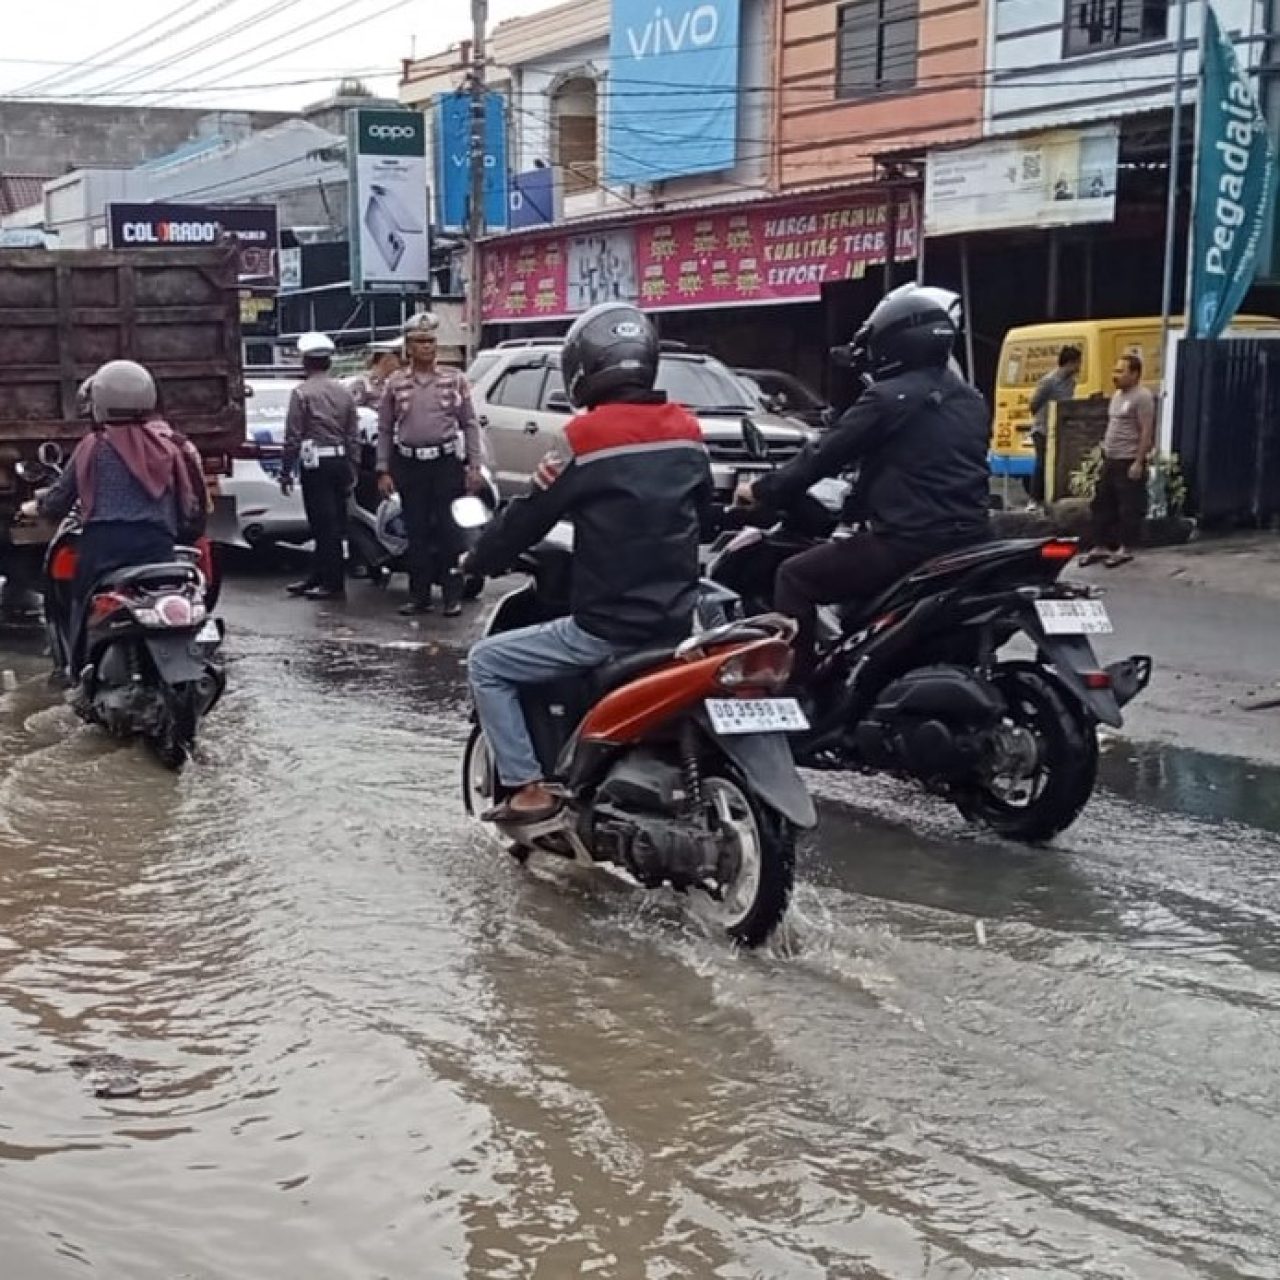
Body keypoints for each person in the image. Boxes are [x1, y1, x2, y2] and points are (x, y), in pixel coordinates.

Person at [462, 302, 712, 823]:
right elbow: (703, 512)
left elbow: (529, 516)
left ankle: (528, 788)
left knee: (487, 662)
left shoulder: (583, 438)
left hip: (607, 628)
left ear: (583, 367)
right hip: (677, 623)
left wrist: (479, 559)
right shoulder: (687, 429)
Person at [736, 287, 991, 683]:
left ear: (894, 343)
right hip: (973, 538)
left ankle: (798, 691)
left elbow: (824, 455)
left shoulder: (888, 397)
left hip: (909, 541)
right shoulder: (970, 399)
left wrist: (761, 490)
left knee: (794, 576)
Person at [21, 360, 204, 676]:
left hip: (105, 550)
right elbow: (188, 504)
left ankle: (78, 670)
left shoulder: (93, 446)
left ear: (100, 402)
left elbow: (59, 499)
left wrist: (35, 507)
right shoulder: (170, 444)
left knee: (81, 603)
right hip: (157, 547)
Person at [376, 313, 483, 617]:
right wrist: (383, 469)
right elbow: (385, 428)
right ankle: (419, 596)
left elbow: (469, 424)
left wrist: (474, 466)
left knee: (450, 531)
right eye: (420, 341)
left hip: (445, 463)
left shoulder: (454, 379)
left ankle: (452, 596)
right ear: (409, 347)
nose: (427, 347)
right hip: (410, 464)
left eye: (431, 341)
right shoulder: (395, 383)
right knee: (416, 531)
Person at [281, 331, 360, 600]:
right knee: (334, 521)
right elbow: (352, 435)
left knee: (322, 524)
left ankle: (332, 583)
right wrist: (352, 467)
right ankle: (318, 575)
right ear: (329, 362)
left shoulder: (301, 393)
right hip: (339, 461)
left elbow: (293, 436)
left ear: (305, 363)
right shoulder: (344, 393)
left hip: (315, 464)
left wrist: (286, 471)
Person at [1079, 353, 1155, 568]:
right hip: (1111, 458)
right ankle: (1100, 545)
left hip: (1128, 459)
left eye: (1121, 371)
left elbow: (1146, 431)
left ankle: (1125, 548)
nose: (1116, 375)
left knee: (1128, 507)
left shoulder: (1142, 397)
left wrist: (1138, 461)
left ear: (1135, 374)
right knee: (1102, 503)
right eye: (1115, 371)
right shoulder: (1117, 396)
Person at [1027, 344, 1082, 507]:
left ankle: (1051, 497)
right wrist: (1043, 417)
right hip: (1043, 429)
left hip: (1060, 430)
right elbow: (1034, 404)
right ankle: (1034, 499)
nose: (1079, 367)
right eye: (1078, 363)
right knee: (1042, 463)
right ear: (1070, 363)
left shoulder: (1071, 383)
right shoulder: (1049, 381)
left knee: (1057, 464)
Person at [350, 339, 403, 409]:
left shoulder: (391, 381)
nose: (399, 364)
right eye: (398, 357)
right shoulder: (362, 384)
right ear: (387, 360)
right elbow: (353, 409)